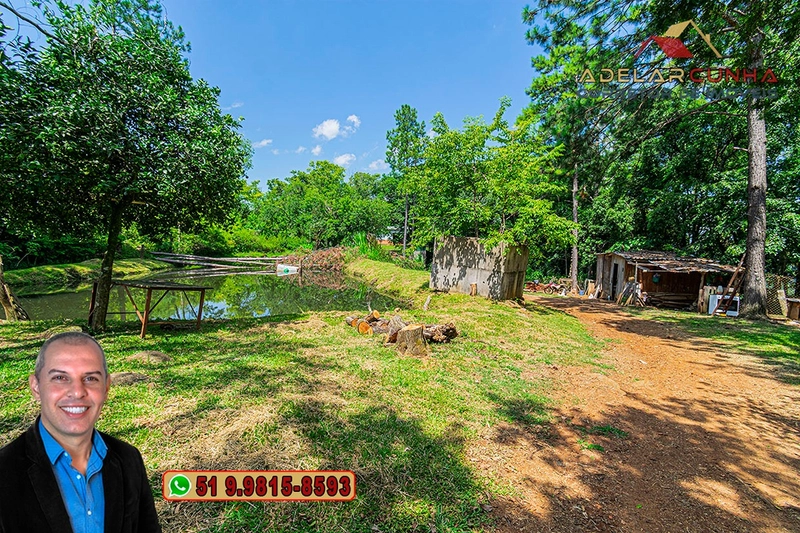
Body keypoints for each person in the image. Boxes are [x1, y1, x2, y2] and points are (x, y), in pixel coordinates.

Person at [0, 332, 161, 533]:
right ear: (36, 387)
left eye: (90, 378)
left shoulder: (129, 459)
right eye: (60, 377)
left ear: (106, 387)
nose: (77, 392)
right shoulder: (4, 471)